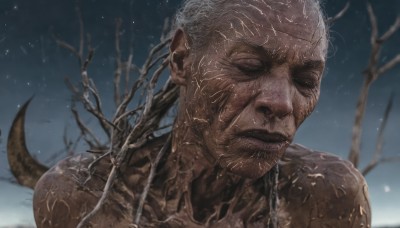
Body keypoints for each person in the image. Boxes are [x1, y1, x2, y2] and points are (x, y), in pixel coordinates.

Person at [18, 0, 372, 227]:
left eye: (306, 80)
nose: (281, 103)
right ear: (182, 60)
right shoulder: (83, 198)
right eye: (249, 67)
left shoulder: (328, 201)